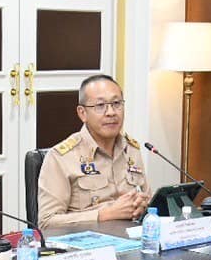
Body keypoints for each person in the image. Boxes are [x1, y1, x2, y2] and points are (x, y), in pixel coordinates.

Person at [36, 74, 151, 228]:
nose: (111, 112)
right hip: (86, 241)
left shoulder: (132, 150)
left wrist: (143, 206)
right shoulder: (61, 157)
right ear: (82, 113)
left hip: (134, 238)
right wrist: (104, 214)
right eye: (100, 105)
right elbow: (46, 222)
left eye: (116, 103)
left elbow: (149, 202)